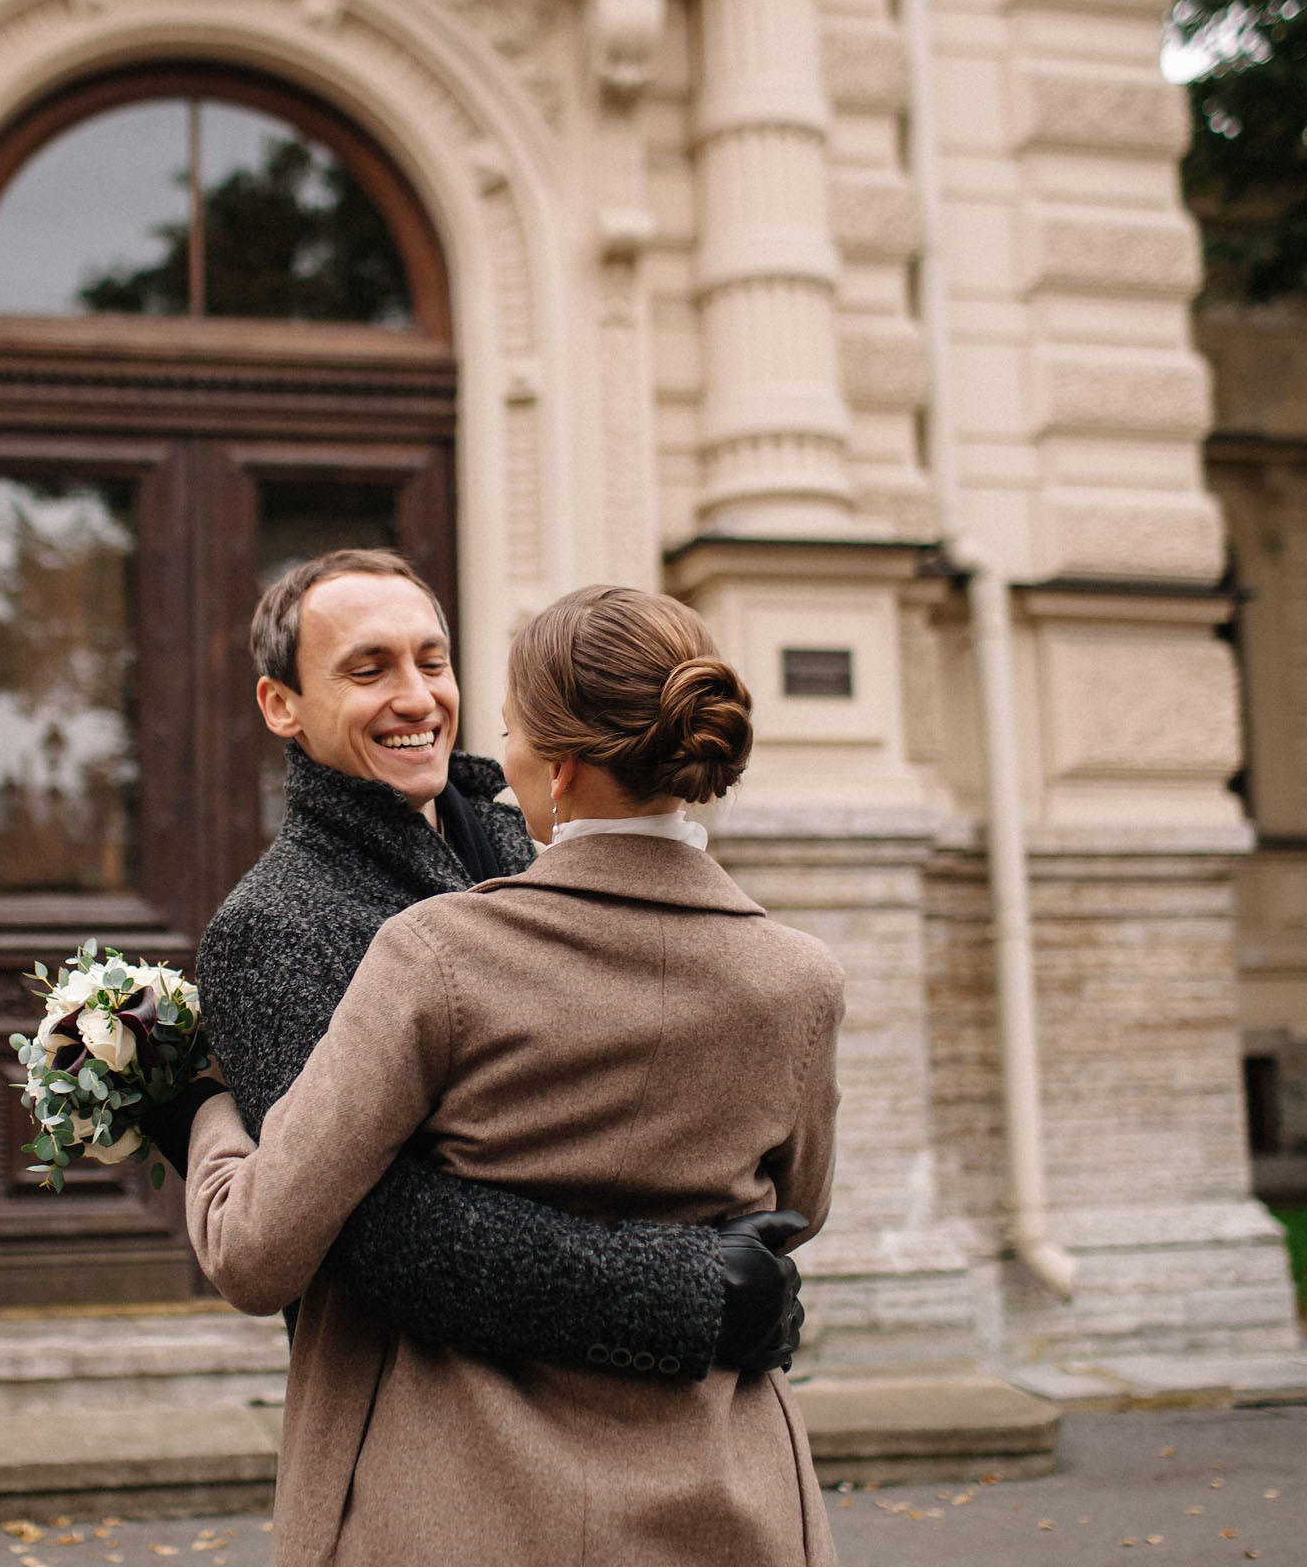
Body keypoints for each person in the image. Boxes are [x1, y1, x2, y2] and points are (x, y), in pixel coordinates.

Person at [182, 584, 845, 1567]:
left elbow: (259, 1245)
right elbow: (801, 1205)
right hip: (725, 1487)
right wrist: (691, 1284)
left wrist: (197, 1108)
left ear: (561, 770)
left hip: (463, 1494)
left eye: (436, 663)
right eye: (369, 667)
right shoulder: (802, 980)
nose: (422, 701)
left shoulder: (435, 948)